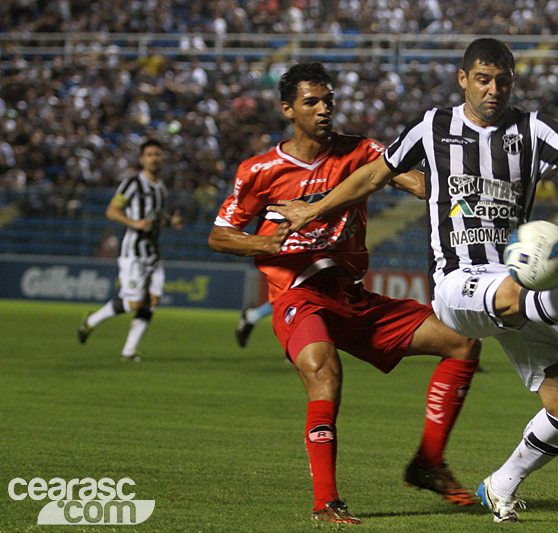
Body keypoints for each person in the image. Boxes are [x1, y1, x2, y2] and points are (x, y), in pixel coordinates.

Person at [270, 38, 558, 523]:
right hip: (460, 280)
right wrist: (314, 208)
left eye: (503, 80)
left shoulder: (532, 128)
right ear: (464, 80)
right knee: (515, 293)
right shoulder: (433, 126)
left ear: (513, 82)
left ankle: (500, 485)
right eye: (483, 79)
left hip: (518, 278)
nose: (493, 89)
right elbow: (374, 174)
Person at [207, 63, 482, 525]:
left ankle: (428, 464)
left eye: (328, 100)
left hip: (353, 297)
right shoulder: (260, 170)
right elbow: (220, 235)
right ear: (288, 109)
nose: (323, 108)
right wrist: (265, 243)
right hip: (300, 294)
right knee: (324, 372)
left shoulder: (362, 151)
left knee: (461, 344)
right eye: (311, 101)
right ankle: (326, 501)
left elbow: (412, 181)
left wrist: (443, 187)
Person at [78, 139, 183, 361]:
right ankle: (91, 321)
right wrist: (134, 223)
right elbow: (112, 211)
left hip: (153, 251)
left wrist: (170, 222)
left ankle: (128, 351)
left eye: (158, 154)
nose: (154, 158)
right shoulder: (133, 183)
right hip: (133, 251)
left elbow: (156, 217)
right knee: (134, 303)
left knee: (152, 300)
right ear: (142, 159)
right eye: (150, 154)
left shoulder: (161, 187)